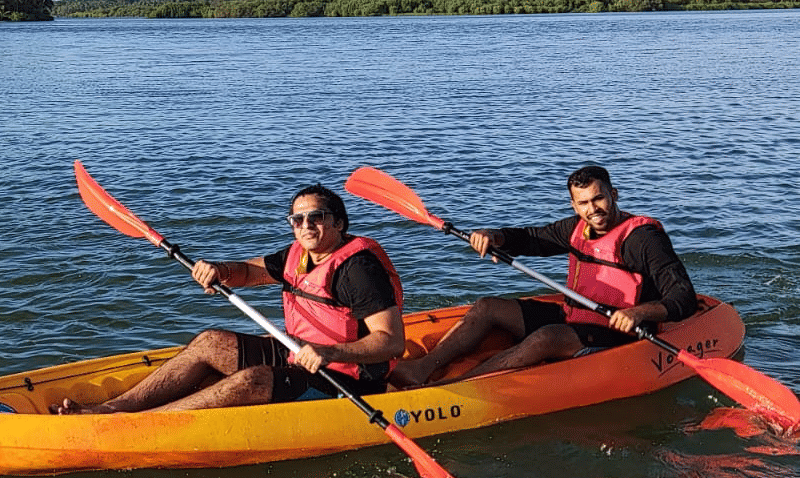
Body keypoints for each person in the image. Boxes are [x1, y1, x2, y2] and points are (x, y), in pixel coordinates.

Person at [53, 183, 405, 413]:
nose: (306, 226)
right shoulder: (298, 254)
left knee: (251, 381)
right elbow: (250, 272)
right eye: (297, 219)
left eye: (317, 217)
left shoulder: (358, 270)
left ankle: (145, 422)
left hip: (349, 378)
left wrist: (329, 352)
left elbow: (391, 342)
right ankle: (115, 409)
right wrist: (219, 271)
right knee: (210, 342)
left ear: (339, 224)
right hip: (299, 352)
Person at [390, 165, 697, 388]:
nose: (593, 209)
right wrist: (495, 236)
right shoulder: (576, 227)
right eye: (584, 203)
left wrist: (638, 312)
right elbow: (533, 238)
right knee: (487, 306)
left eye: (599, 199)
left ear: (613, 195)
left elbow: (683, 296)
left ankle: (454, 389)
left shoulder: (643, 239)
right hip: (575, 315)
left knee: (546, 336)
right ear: (574, 205)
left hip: (620, 332)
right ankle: (422, 368)